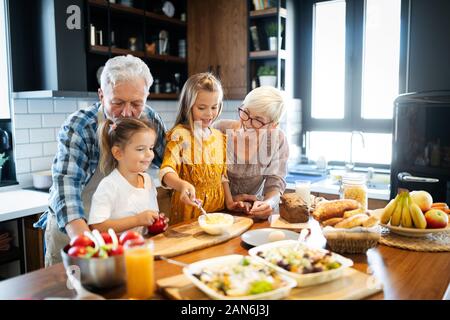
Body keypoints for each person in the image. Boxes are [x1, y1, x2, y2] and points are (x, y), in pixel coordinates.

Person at [34, 55, 167, 266]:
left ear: (146, 97)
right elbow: (66, 187)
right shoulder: (80, 125)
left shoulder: (149, 120)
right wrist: (85, 243)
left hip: (124, 236)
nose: (127, 112)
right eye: (117, 102)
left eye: (136, 103)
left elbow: (168, 163)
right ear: (101, 94)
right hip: (76, 229)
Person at [159, 73, 243, 224]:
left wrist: (229, 203)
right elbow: (166, 172)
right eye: (202, 108)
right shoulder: (180, 135)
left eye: (214, 107)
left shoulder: (219, 137)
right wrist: (182, 185)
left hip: (218, 211)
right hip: (188, 214)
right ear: (188, 106)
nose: (209, 114)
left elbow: (222, 176)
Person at [214, 86, 289, 220]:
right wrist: (229, 199)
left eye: (258, 120)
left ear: (273, 126)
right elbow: (207, 179)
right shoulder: (220, 130)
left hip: (250, 215)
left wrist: (268, 204)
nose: (247, 123)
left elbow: (275, 185)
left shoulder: (277, 141)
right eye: (245, 112)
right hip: (215, 213)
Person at [88, 117, 168, 235]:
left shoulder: (147, 180)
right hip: (121, 251)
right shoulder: (109, 185)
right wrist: (137, 220)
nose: (150, 154)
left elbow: (147, 220)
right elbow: (97, 226)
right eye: (140, 149)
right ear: (118, 153)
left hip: (146, 249)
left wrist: (157, 220)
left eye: (151, 148)